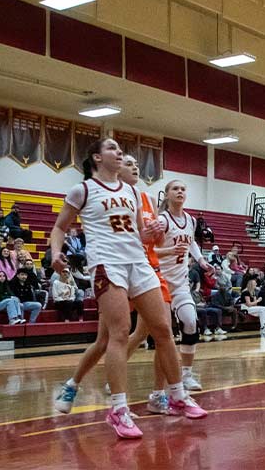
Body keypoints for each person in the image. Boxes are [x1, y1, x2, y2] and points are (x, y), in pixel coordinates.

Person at [48, 138, 205, 439]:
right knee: (117, 334)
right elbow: (59, 227)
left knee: (162, 330)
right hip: (108, 265)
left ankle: (177, 394)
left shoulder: (133, 192)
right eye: (112, 149)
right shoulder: (82, 189)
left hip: (139, 263)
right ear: (97, 157)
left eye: (121, 150)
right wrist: (56, 253)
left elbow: (140, 235)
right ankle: (118, 408)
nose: (119, 153)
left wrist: (152, 233)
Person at [55, 154, 179, 417]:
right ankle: (74, 384)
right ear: (112, 170)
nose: (134, 166)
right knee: (107, 340)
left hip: (145, 270)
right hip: (113, 271)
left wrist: (157, 234)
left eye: (136, 163)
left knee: (159, 332)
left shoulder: (142, 198)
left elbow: (152, 242)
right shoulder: (98, 196)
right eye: (128, 163)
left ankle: (159, 396)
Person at [156, 179, 216, 390]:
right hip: (158, 282)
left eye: (183, 188)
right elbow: (147, 251)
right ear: (167, 194)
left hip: (180, 283)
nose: (180, 191)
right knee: (142, 334)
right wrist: (170, 251)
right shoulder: (162, 221)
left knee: (190, 322)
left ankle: (187, 375)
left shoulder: (190, 220)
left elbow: (190, 243)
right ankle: (115, 374)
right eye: (175, 188)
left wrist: (200, 260)